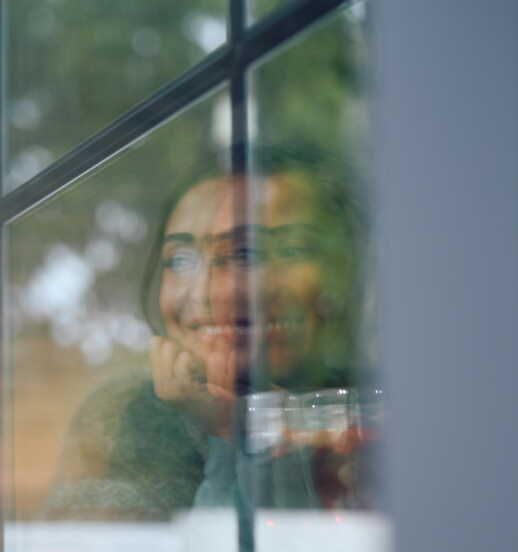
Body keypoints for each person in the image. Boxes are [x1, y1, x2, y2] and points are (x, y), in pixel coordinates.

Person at [46, 145, 369, 520]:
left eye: (248, 254)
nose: (204, 293)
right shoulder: (126, 417)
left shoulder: (375, 417)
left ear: (342, 273)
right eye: (180, 260)